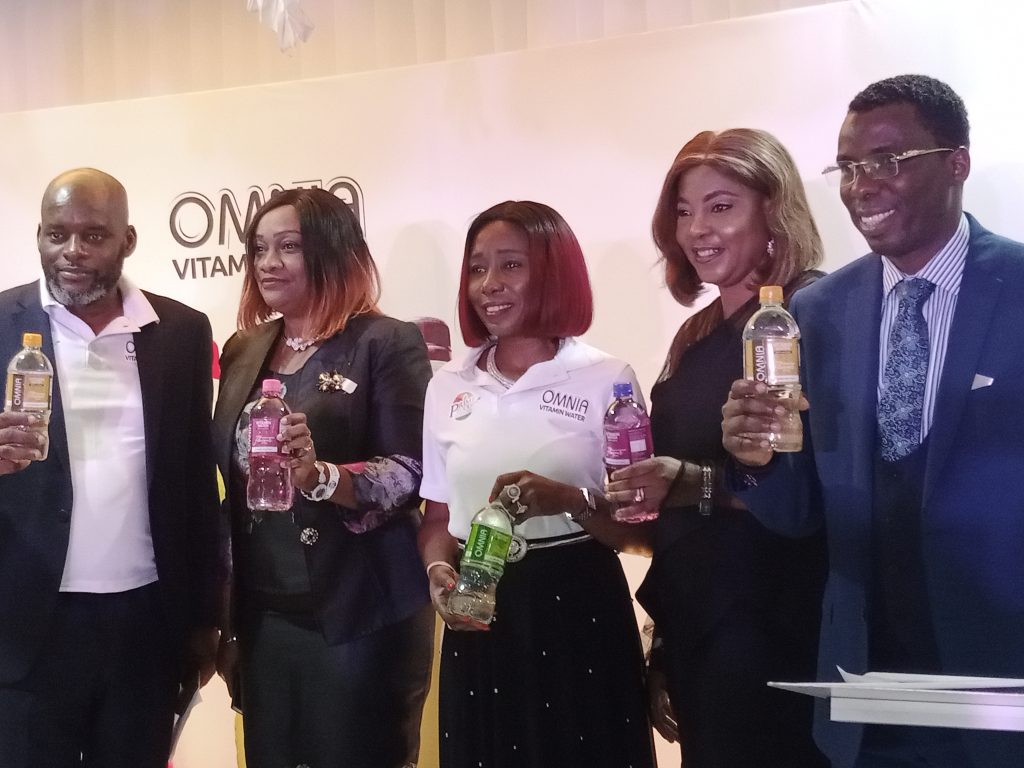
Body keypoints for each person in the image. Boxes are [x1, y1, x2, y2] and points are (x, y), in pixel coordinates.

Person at [722, 75, 1024, 767]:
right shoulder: (818, 311)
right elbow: (799, 512)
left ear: (957, 162)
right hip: (866, 681)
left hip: (1002, 671)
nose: (862, 186)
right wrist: (756, 459)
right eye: (849, 167)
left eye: (887, 161)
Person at [606, 129, 828, 768]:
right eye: (683, 211)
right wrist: (662, 644)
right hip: (700, 624)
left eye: (720, 206)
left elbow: (820, 488)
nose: (696, 229)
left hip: (787, 625)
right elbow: (675, 515)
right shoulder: (695, 336)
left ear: (774, 211)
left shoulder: (817, 313)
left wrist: (691, 482)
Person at [418, 200, 656, 768]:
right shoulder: (447, 384)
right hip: (480, 600)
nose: (489, 285)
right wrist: (438, 571)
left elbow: (642, 533)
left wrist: (571, 501)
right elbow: (437, 518)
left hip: (578, 606)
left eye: (511, 265)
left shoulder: (607, 378)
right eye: (478, 268)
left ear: (553, 271)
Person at [0, 168, 222, 767]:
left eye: (94, 235)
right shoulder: (0, 323)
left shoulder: (180, 332)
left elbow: (195, 484)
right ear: (38, 236)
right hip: (25, 625)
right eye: (57, 234)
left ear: (128, 240)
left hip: (146, 623)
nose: (72, 251)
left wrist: (205, 615)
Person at [212, 187, 434, 768]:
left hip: (357, 611)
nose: (268, 263)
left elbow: (412, 471)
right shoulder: (244, 348)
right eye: (259, 248)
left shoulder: (386, 342)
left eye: (288, 247)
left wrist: (322, 476)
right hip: (264, 614)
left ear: (333, 252)